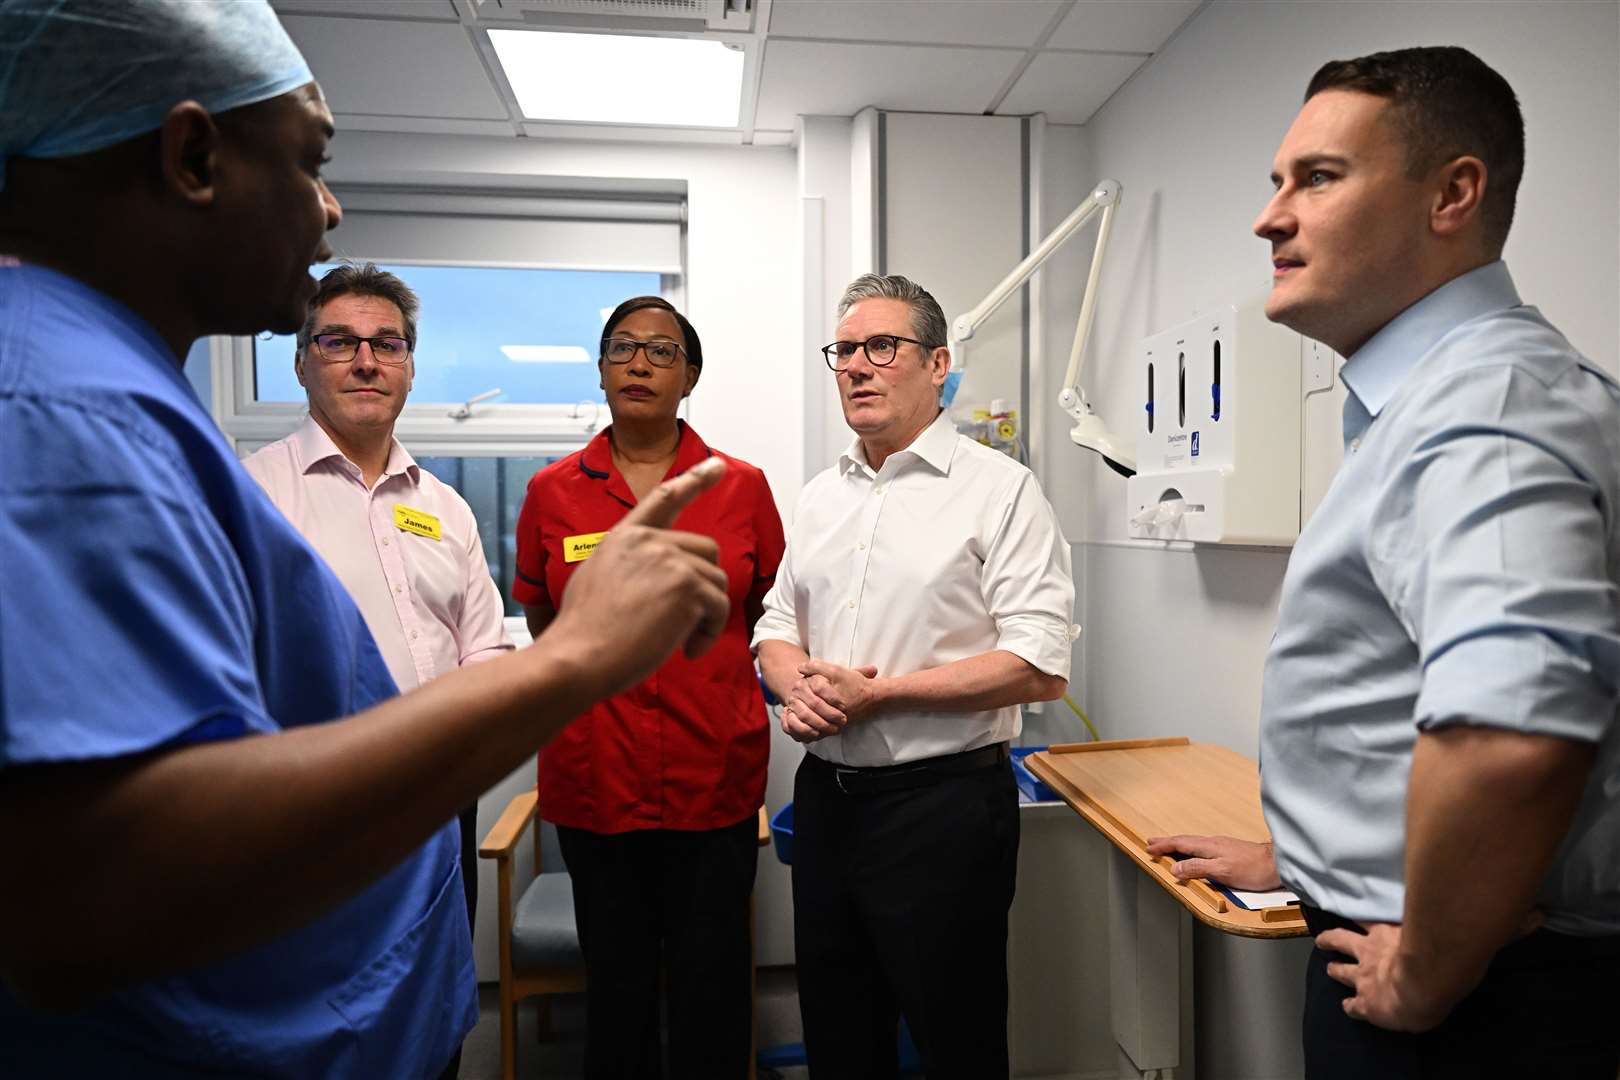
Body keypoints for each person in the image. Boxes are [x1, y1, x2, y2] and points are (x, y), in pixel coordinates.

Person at [0, 3, 732, 1076]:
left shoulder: (117, 396)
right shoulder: (62, 407)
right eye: (309, 162)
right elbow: (97, 892)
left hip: (369, 999)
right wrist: (579, 657)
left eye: (387, 343)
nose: (330, 208)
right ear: (194, 156)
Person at [1143, 46, 1620, 1078]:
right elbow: (1411, 695)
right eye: (1278, 183)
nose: (1271, 218)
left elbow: (1513, 738)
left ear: (1453, 193)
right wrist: (1309, 855)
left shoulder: (1483, 406)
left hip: (1466, 1008)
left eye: (1316, 178)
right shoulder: (1441, 403)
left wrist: (1426, 976)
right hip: (1429, 950)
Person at [753, 273, 1076, 1079]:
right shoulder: (822, 495)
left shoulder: (1000, 492)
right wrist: (797, 685)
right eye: (845, 351)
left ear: (938, 365)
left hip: (944, 814)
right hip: (827, 807)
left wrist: (879, 695)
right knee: (840, 1038)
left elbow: (1039, 664)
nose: (857, 367)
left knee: (955, 1042)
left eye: (881, 348)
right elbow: (775, 625)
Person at [243, 262, 513, 1077]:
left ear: (409, 364)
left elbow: (486, 650)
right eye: (340, 342)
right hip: (317, 815)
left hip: (438, 808)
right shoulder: (251, 494)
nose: (366, 360)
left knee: (435, 1021)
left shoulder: (445, 505)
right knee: (328, 1028)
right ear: (302, 362)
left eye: (386, 344)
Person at [511, 295, 785, 1079]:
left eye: (662, 352)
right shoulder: (553, 490)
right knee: (618, 988)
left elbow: (766, 613)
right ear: (600, 370)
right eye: (623, 348)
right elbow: (541, 611)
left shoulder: (741, 487)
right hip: (596, 773)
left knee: (714, 982)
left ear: (690, 375)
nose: (640, 363)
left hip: (714, 774)